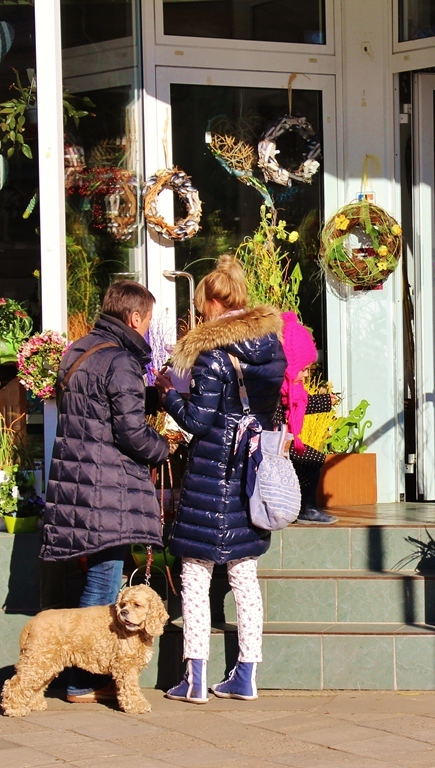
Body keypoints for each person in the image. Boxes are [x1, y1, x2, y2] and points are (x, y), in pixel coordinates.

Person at [154, 255, 285, 704]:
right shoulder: (271, 345)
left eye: (199, 305)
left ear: (212, 301)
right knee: (244, 576)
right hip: (251, 472)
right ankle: (246, 674)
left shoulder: (212, 352)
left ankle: (193, 679)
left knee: (195, 575)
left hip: (214, 471)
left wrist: (168, 394)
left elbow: (200, 419)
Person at [41, 280, 171, 704]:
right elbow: (131, 432)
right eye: (148, 321)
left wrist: (152, 395)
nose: (148, 330)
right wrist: (164, 448)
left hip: (79, 487)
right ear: (134, 318)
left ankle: (81, 677)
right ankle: (81, 681)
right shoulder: (122, 361)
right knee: (102, 584)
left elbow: (95, 410)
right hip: (107, 491)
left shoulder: (79, 350)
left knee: (97, 579)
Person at [277, 310, 338, 525]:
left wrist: (324, 402)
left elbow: (301, 406)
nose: (305, 375)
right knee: (311, 460)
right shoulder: (278, 388)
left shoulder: (294, 389)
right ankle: (305, 507)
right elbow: (278, 414)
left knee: (310, 460)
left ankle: (304, 506)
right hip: (275, 442)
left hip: (284, 440)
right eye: (302, 370)